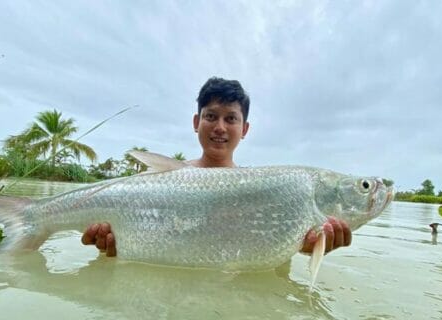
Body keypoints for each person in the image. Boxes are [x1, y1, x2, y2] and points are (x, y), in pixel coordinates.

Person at [82, 77, 352, 257]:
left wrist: (307, 248)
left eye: (230, 119)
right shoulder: (159, 182)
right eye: (211, 116)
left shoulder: (261, 190)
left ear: (244, 129)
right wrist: (114, 247)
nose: (220, 127)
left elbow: (267, 248)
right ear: (196, 122)